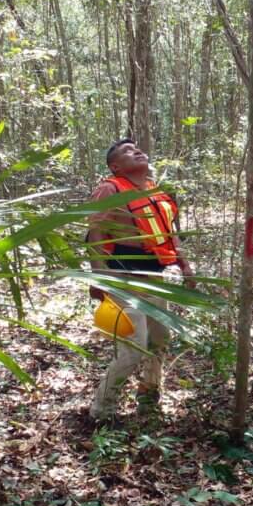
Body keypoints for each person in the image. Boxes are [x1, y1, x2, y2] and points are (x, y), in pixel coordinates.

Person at [86, 138, 194, 423]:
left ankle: (149, 396)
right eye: (127, 152)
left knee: (160, 339)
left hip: (156, 276)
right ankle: (101, 411)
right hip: (124, 278)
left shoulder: (154, 191)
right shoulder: (109, 189)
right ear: (115, 166)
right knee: (134, 347)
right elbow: (94, 233)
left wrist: (185, 265)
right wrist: (100, 277)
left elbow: (170, 233)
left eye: (137, 148)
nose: (136, 151)